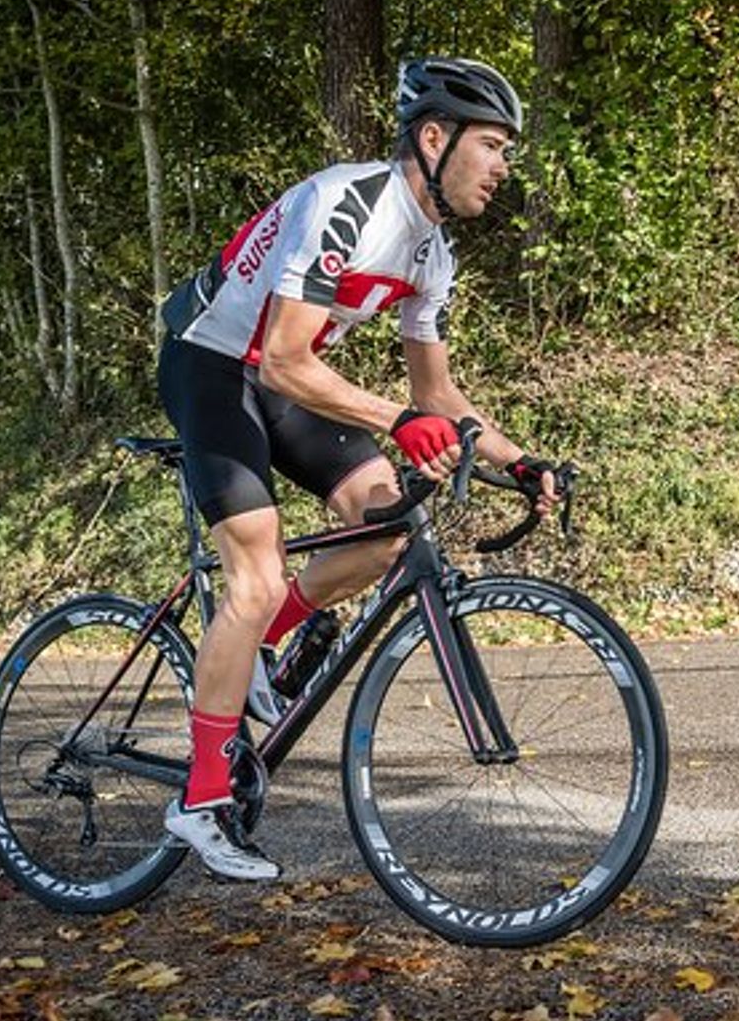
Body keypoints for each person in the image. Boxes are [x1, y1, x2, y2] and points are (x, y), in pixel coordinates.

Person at [154, 57, 565, 880]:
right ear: (435, 138)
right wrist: (398, 421)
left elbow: (436, 393)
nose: (502, 167)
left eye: (507, 151)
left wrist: (519, 462)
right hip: (214, 363)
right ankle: (199, 801)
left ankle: (261, 654)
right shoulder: (348, 202)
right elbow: (281, 358)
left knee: (387, 524)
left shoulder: (431, 254)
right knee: (256, 575)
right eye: (491, 146)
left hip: (287, 380)